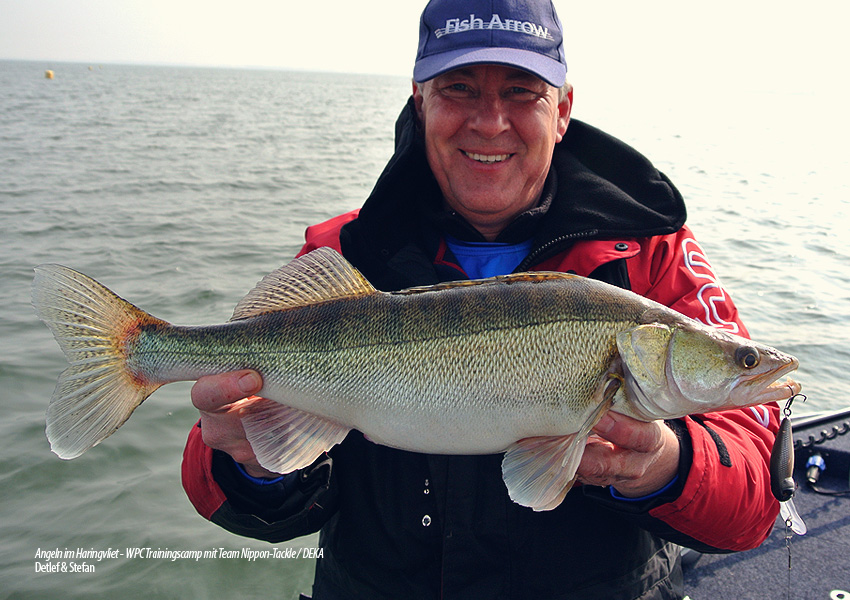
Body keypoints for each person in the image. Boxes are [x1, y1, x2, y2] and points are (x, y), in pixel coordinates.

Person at [181, 1, 782, 598]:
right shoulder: (341, 255)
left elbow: (755, 500)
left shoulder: (650, 256)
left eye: (522, 91)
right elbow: (233, 487)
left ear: (563, 108)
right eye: (460, 88)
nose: (490, 122)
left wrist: (665, 465)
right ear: (421, 100)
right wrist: (247, 464)